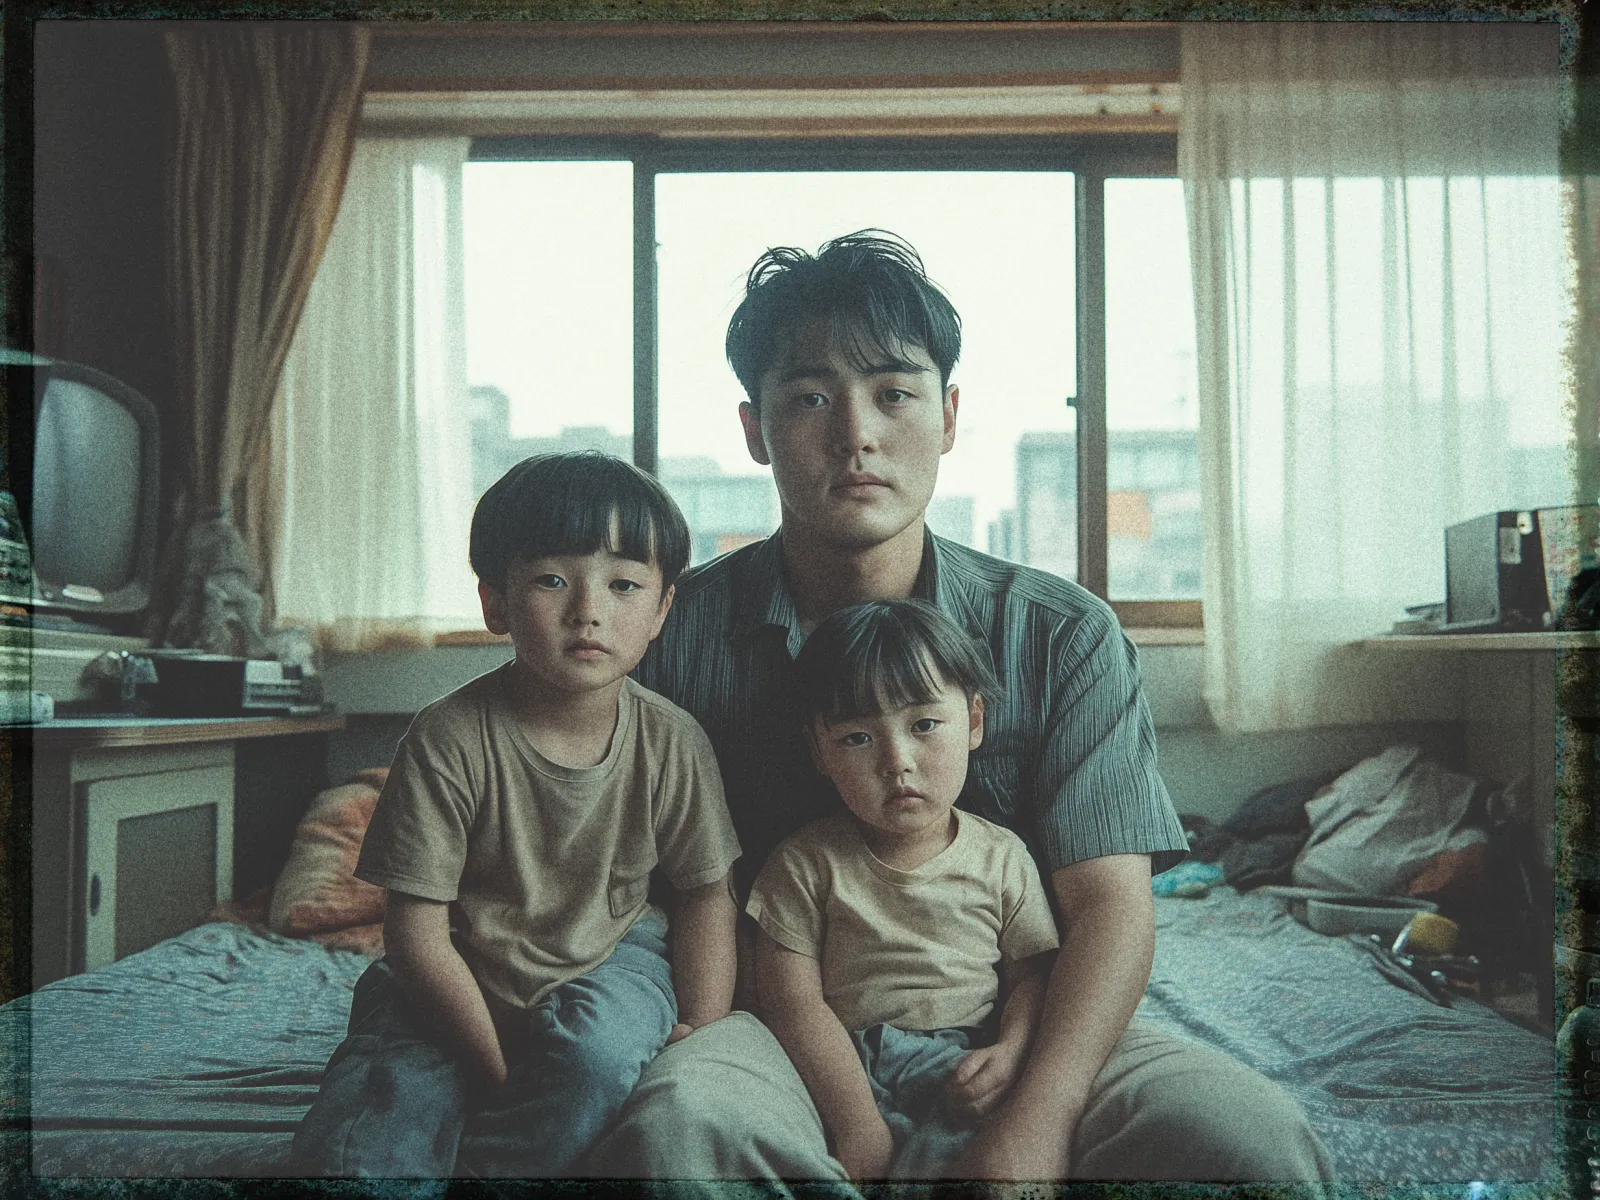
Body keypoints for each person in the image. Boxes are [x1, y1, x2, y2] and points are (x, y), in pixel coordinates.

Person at [590, 230, 1332, 1189]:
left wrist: (1043, 1110)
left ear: (946, 415)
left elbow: (1109, 905)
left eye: (894, 393)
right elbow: (612, 873)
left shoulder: (1062, 635)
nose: (855, 433)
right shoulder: (670, 636)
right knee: (680, 1130)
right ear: (753, 429)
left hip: (1021, 1018)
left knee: (1249, 1142)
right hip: (772, 1019)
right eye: (809, 397)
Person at [291, 452, 741, 1179]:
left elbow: (705, 895)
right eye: (551, 580)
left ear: (661, 610)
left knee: (596, 1062)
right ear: (495, 601)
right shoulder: (447, 735)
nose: (588, 610)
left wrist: (705, 1028)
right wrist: (492, 1069)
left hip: (608, 956)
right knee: (372, 1129)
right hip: (453, 968)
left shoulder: (673, 741)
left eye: (624, 585)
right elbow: (415, 933)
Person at [750, 598, 1060, 1181]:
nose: (897, 762)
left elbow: (1031, 977)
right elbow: (792, 1004)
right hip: (840, 1067)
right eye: (857, 739)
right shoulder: (804, 864)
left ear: (972, 722)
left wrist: (1012, 1053)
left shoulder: (1002, 857)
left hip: (967, 1064)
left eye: (923, 726)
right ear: (818, 750)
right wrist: (856, 1121)